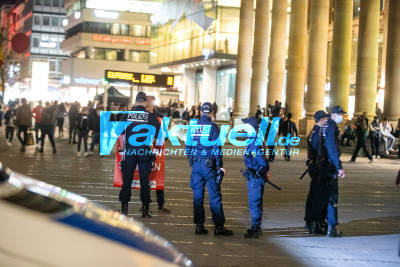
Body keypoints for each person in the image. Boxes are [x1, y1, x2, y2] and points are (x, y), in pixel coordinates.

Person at [186, 102, 233, 236]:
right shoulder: (213, 127)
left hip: (196, 165)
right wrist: (220, 166)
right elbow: (216, 149)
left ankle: (199, 226)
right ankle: (218, 227)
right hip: (209, 166)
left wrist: (193, 162)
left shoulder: (193, 127)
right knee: (214, 196)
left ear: (201, 112)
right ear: (212, 113)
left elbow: (188, 148)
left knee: (197, 197)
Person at [119, 92, 161, 218]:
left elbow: (118, 131)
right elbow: (159, 136)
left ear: (136, 101)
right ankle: (145, 209)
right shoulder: (151, 117)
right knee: (144, 181)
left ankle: (124, 208)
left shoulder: (127, 115)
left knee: (127, 180)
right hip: (145, 152)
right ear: (145, 102)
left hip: (130, 151)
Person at [313, 106, 346, 237]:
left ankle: (318, 224)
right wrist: (339, 167)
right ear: (333, 114)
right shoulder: (331, 126)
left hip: (322, 163)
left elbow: (316, 143)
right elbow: (332, 147)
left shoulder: (324, 125)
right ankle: (331, 227)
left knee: (322, 195)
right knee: (332, 196)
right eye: (340, 114)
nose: (341, 116)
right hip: (329, 165)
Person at [241, 117, 271, 238]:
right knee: (256, 203)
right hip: (254, 176)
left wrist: (257, 171)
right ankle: (256, 226)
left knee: (254, 203)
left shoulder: (253, 142)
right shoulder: (253, 140)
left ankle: (256, 228)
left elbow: (262, 162)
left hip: (256, 178)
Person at [304, 110, 329, 235]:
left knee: (313, 195)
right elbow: (321, 151)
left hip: (314, 167)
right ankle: (316, 223)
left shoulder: (312, 131)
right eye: (325, 118)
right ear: (321, 119)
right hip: (319, 168)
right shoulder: (318, 133)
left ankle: (310, 222)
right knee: (319, 197)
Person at [146, 96, 170, 213]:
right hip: (146, 151)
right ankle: (146, 204)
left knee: (158, 178)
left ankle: (161, 203)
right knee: (146, 179)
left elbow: (164, 136)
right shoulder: (143, 116)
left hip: (157, 152)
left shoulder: (159, 119)